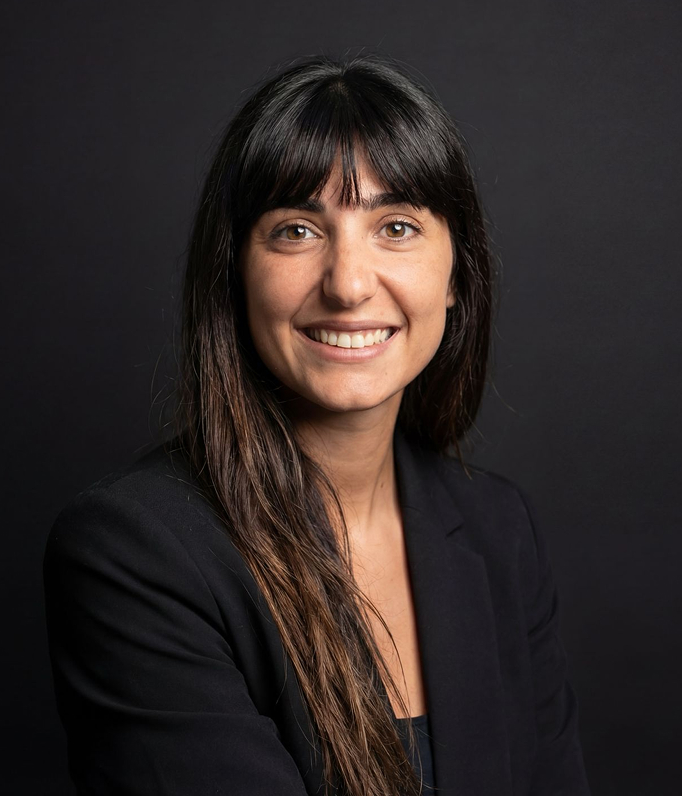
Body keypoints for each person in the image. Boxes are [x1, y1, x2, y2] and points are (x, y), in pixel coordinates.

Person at [43, 55, 590, 795]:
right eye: (297, 230)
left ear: (458, 274)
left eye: (396, 226)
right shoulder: (134, 552)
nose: (349, 282)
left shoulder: (499, 529)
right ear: (234, 270)